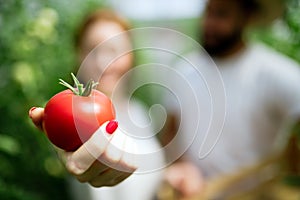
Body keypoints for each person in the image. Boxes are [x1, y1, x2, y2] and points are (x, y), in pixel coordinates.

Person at [162, 0, 300, 199]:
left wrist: (291, 151)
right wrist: (181, 168)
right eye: (208, 12)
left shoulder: (272, 72)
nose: (209, 23)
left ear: (248, 18)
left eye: (221, 15)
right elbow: (171, 132)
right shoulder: (184, 71)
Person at [29, 9, 164, 200]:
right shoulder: (69, 117)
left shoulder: (139, 110)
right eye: (92, 50)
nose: (103, 62)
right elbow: (70, 152)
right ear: (78, 56)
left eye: (114, 50)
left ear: (131, 56)